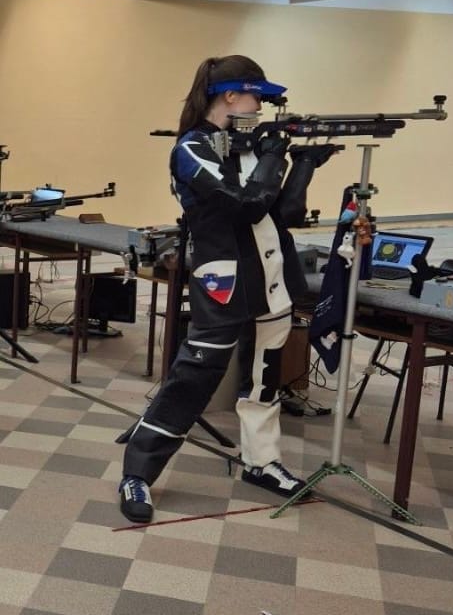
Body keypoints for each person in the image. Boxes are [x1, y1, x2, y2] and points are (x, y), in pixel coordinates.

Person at [118, 55, 333, 523]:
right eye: (257, 96)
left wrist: (303, 165)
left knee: (265, 377)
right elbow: (247, 205)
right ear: (230, 96)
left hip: (272, 279)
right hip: (224, 280)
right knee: (194, 378)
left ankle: (262, 461)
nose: (262, 106)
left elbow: (284, 213)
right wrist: (274, 156)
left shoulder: (249, 145)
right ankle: (137, 472)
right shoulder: (192, 149)